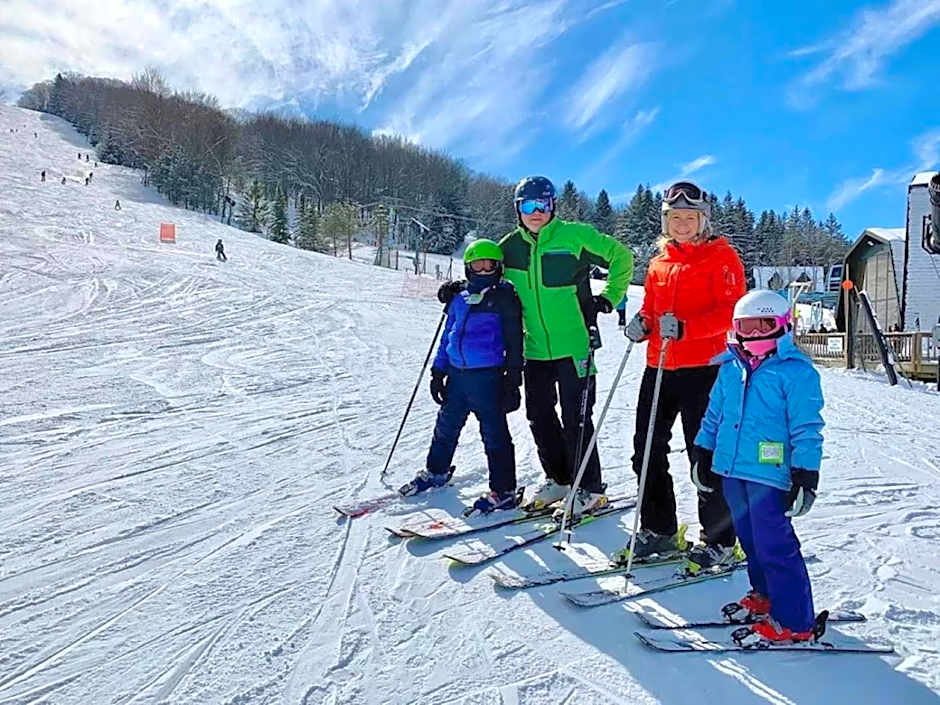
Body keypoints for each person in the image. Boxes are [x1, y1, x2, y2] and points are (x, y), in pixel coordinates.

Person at [443, 176, 633, 516]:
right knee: (539, 416)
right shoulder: (510, 246)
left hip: (575, 346)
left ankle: (588, 488)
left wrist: (609, 299)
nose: (536, 212)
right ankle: (559, 479)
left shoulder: (576, 236)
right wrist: (458, 287)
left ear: (552, 205)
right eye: (528, 206)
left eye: (542, 205)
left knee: (576, 418)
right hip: (534, 350)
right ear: (518, 209)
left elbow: (621, 256)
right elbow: (486, 273)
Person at [619, 180, 745, 570]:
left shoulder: (722, 259)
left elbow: (733, 312)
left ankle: (721, 539)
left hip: (703, 369)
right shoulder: (659, 262)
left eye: (690, 218)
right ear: (665, 220)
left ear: (703, 220)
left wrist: (688, 328)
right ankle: (660, 530)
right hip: (659, 366)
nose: (682, 224)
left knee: (703, 454)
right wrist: (643, 324)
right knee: (646, 450)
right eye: (675, 218)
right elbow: (654, 311)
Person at [692, 289, 824, 644]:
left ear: (782, 326)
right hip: (733, 470)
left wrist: (805, 473)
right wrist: (703, 451)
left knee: (774, 544)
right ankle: (765, 595)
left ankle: (795, 619)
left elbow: (807, 427)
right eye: (744, 328)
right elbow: (714, 414)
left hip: (771, 474)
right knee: (749, 539)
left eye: (761, 326)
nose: (752, 336)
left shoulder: (796, 373)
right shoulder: (730, 367)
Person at [400, 240, 524, 514]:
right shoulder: (459, 297)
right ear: (468, 267)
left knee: (494, 435)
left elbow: (515, 341)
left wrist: (513, 379)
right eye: (477, 265)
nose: (482, 270)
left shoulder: (504, 297)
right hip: (457, 376)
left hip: (487, 377)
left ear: (498, 267)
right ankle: (437, 471)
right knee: (445, 426)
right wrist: (438, 371)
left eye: (488, 264)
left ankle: (504, 490)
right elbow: (448, 335)